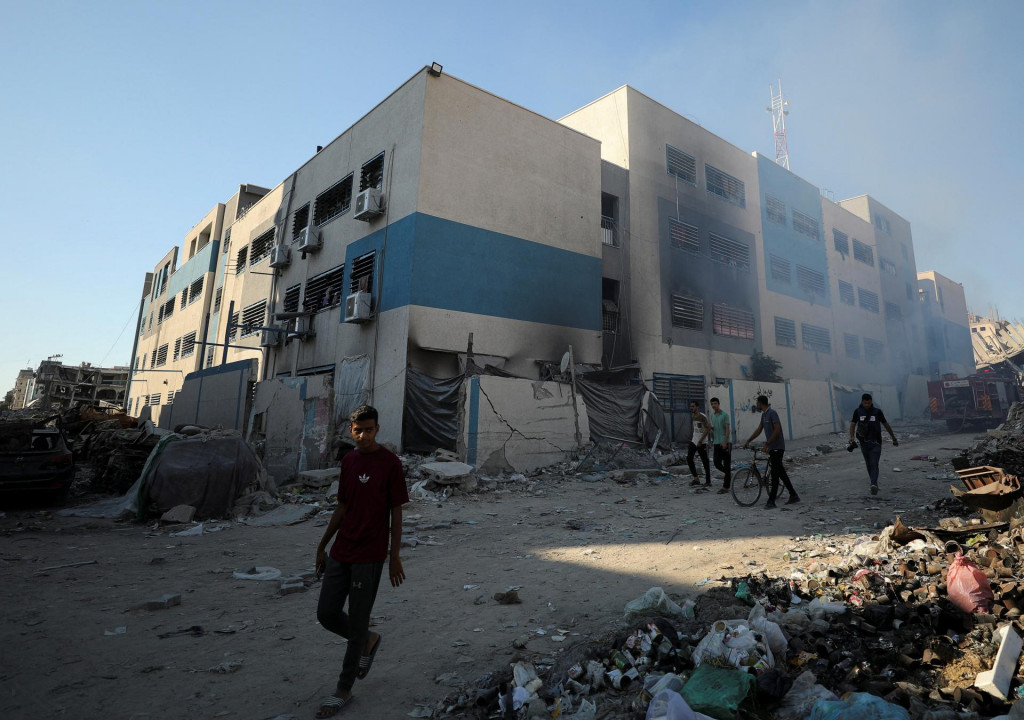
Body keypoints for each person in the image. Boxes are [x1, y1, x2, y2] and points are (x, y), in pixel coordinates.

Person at [314, 405, 409, 718]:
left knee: (356, 620)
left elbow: (396, 511)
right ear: (350, 431)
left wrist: (393, 556)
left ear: (377, 429)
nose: (363, 435)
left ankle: (343, 688)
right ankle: (368, 639)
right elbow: (342, 505)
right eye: (358, 430)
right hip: (343, 550)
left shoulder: (390, 464)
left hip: (370, 555)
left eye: (369, 430)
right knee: (327, 613)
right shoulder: (349, 461)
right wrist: (323, 544)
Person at [743, 395, 800, 508]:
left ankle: (771, 501)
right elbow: (759, 430)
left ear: (760, 403)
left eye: (757, 403)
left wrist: (768, 443)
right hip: (772, 448)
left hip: (777, 447)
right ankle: (793, 495)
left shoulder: (772, 413)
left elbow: (777, 430)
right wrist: (748, 440)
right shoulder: (764, 415)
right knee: (781, 473)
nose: (757, 405)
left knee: (774, 474)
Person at [849, 393, 898, 496]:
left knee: (874, 463)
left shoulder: (877, 412)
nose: (867, 405)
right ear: (862, 402)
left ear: (871, 402)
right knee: (868, 464)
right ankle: (873, 483)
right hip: (863, 443)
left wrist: (893, 437)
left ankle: (874, 484)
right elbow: (853, 425)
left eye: (868, 402)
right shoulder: (857, 412)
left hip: (876, 442)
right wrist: (851, 437)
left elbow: (886, 425)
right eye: (865, 403)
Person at [698, 397, 731, 494]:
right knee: (716, 463)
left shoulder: (724, 415)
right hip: (716, 442)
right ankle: (728, 474)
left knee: (726, 464)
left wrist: (725, 442)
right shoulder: (712, 416)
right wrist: (710, 427)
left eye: (715, 403)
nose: (713, 405)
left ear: (718, 404)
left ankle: (726, 487)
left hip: (725, 443)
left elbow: (727, 430)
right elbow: (715, 429)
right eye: (712, 404)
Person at [686, 400, 712, 487]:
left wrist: (701, 441)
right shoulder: (693, 417)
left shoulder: (702, 417)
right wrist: (695, 439)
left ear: (697, 407)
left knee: (705, 461)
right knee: (689, 458)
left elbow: (708, 429)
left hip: (702, 442)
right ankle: (696, 479)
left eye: (693, 406)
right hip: (694, 440)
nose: (691, 408)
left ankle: (708, 481)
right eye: (691, 406)